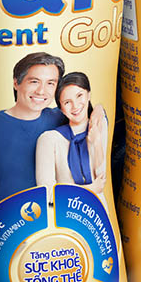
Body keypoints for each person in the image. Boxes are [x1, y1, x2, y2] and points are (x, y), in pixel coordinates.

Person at [0, 52, 65, 212]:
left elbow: (92, 115)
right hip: (0, 222)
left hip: (48, 221)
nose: (41, 91)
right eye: (34, 82)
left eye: (50, 83)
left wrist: (98, 113)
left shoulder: (60, 118)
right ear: (16, 83)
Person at [35, 72, 108, 205]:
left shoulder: (99, 125)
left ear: (89, 95)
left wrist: (96, 142)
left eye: (79, 95)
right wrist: (90, 189)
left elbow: (101, 178)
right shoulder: (49, 140)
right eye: (67, 102)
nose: (75, 106)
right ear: (61, 109)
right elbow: (46, 194)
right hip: (64, 213)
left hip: (98, 212)